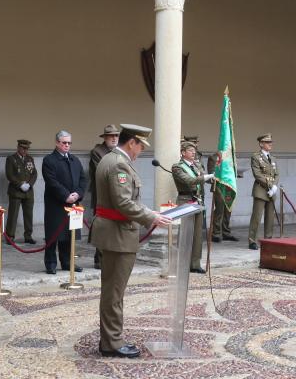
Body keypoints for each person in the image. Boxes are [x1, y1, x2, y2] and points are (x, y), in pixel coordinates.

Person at [91, 124, 171, 358]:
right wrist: (151, 217)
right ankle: (112, 343)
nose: (141, 151)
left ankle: (110, 339)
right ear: (132, 142)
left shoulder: (111, 159)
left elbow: (125, 200)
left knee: (112, 290)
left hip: (115, 232)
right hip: (118, 234)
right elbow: (123, 203)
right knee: (114, 293)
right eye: (140, 146)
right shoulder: (119, 164)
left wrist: (148, 212)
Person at [41, 130, 88, 274]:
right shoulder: (49, 160)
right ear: (57, 143)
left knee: (69, 234)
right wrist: (66, 196)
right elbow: (52, 181)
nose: (67, 145)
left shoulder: (75, 160)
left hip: (73, 203)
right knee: (53, 234)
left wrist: (78, 194)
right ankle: (50, 263)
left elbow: (83, 179)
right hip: (56, 204)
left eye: (69, 143)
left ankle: (67, 262)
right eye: (64, 143)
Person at [171, 142, 214, 274]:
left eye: (194, 150)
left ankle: (195, 264)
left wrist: (216, 176)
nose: (193, 153)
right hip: (185, 201)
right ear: (183, 152)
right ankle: (182, 263)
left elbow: (205, 178)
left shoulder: (196, 165)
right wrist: (205, 177)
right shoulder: (177, 167)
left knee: (197, 235)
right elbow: (189, 180)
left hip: (197, 200)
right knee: (185, 234)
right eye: (190, 150)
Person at [89, 125, 119, 268]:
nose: (114, 138)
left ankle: (110, 258)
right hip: (102, 195)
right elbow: (103, 171)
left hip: (117, 193)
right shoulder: (97, 152)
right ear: (105, 138)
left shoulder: (118, 152)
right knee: (102, 227)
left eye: (116, 136)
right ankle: (100, 260)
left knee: (114, 227)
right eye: (111, 136)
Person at [248, 133, 279, 250]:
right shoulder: (256, 157)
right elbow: (257, 174)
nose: (270, 144)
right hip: (261, 190)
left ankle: (268, 240)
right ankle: (252, 241)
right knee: (256, 217)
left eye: (270, 142)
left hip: (271, 191)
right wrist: (270, 186)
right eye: (267, 142)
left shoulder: (273, 158)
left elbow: (277, 174)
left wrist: (274, 186)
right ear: (261, 144)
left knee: (270, 217)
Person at [5, 139, 38, 244]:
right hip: (16, 192)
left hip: (28, 192)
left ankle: (28, 236)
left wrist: (29, 184)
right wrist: (20, 184)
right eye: (23, 148)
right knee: (13, 215)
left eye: (27, 149)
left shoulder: (30, 159)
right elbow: (9, 175)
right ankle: (10, 236)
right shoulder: (11, 159)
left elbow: (34, 174)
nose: (25, 151)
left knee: (28, 215)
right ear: (18, 147)